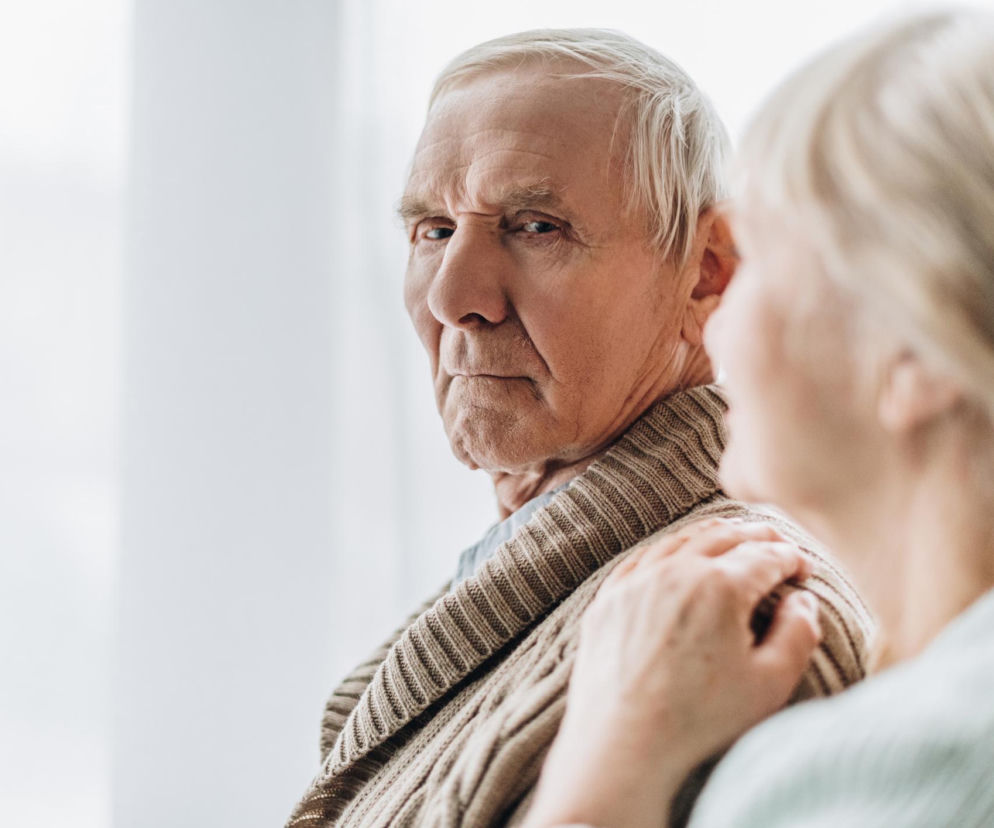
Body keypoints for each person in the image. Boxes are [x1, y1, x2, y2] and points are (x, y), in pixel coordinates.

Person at [287, 30, 872, 827]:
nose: (453, 295)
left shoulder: (742, 623)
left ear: (707, 273)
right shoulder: (546, 577)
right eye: (433, 230)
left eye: (535, 227)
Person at [522, 9, 994, 828]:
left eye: (761, 259)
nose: (716, 315)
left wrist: (606, 765)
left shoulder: (887, 768)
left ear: (912, 350)